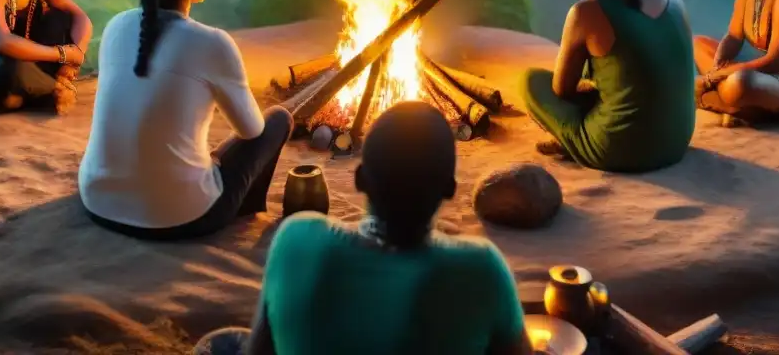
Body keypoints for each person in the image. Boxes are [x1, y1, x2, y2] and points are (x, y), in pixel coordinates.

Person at [194, 101, 532, 355]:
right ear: (449, 189)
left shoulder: (296, 240)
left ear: (359, 180)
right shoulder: (482, 269)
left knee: (219, 343)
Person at [78, 0, 293, 241]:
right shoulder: (213, 42)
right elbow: (251, 131)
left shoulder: (115, 26)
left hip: (97, 201)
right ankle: (241, 208)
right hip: (178, 217)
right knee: (277, 121)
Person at [522, 0, 695, 172]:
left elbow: (562, 90)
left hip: (621, 149)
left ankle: (574, 143)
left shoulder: (587, 12)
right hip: (676, 141)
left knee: (531, 81)